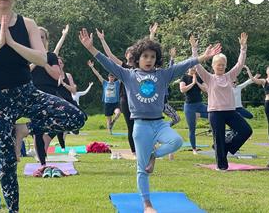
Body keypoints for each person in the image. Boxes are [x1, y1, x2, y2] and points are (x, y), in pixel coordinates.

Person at [0, 0, 86, 212]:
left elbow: (41, 58)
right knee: (7, 161)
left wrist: (11, 42)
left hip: (26, 92)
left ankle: (23, 129)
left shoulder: (27, 23)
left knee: (75, 117)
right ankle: (14, 210)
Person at [79, 28, 221, 213]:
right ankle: (147, 205)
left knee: (177, 141)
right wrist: (91, 48)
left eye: (152, 57)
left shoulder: (163, 74)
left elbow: (183, 65)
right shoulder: (128, 75)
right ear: (138, 58)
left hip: (159, 123)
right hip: (141, 125)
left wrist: (202, 57)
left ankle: (155, 155)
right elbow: (107, 63)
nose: (149, 60)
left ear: (157, 59)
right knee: (142, 169)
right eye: (145, 56)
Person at [195, 33, 253, 171]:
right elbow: (197, 66)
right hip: (215, 113)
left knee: (246, 130)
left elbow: (240, 64)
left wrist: (243, 48)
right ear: (213, 66)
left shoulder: (229, 76)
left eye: (223, 65)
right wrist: (194, 50)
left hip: (230, 111)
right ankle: (222, 166)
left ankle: (226, 147)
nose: (220, 67)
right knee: (219, 138)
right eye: (218, 65)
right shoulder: (209, 78)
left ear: (225, 66)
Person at [96, 28, 136, 153]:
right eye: (129, 58)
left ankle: (145, 149)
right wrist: (102, 39)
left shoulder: (142, 68)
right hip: (126, 100)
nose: (130, 61)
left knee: (141, 127)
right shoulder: (124, 67)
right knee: (131, 127)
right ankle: (134, 152)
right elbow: (110, 56)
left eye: (133, 58)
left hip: (139, 100)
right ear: (126, 57)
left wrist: (152, 35)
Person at [179, 36, 209, 154]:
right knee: (192, 128)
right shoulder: (184, 77)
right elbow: (182, 89)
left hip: (199, 104)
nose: (193, 69)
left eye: (194, 67)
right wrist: (192, 83)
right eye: (191, 68)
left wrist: (197, 82)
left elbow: (206, 89)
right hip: (189, 106)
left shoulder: (200, 77)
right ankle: (194, 149)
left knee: (213, 114)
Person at [245, 65, 269, 145]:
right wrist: (248, 69)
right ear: (267, 72)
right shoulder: (264, 81)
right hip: (268, 103)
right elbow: (253, 79)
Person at [88, 60, 121, 134]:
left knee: (118, 113)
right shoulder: (105, 83)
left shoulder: (117, 83)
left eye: (113, 77)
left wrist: (119, 65)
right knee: (108, 119)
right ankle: (110, 132)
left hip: (115, 103)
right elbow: (98, 75)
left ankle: (113, 121)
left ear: (114, 78)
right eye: (110, 77)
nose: (112, 78)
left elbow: (122, 74)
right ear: (108, 77)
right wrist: (92, 67)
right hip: (107, 103)